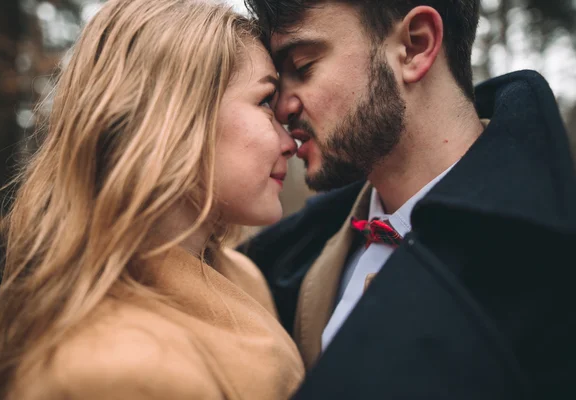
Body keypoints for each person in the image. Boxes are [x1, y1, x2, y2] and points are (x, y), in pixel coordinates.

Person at [240, 0, 576, 398]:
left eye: (304, 67)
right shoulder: (284, 260)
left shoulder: (553, 276)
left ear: (415, 46)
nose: (282, 107)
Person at [0, 0, 304, 399]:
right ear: (176, 118)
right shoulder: (112, 372)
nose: (290, 142)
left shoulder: (240, 276)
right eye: (266, 102)